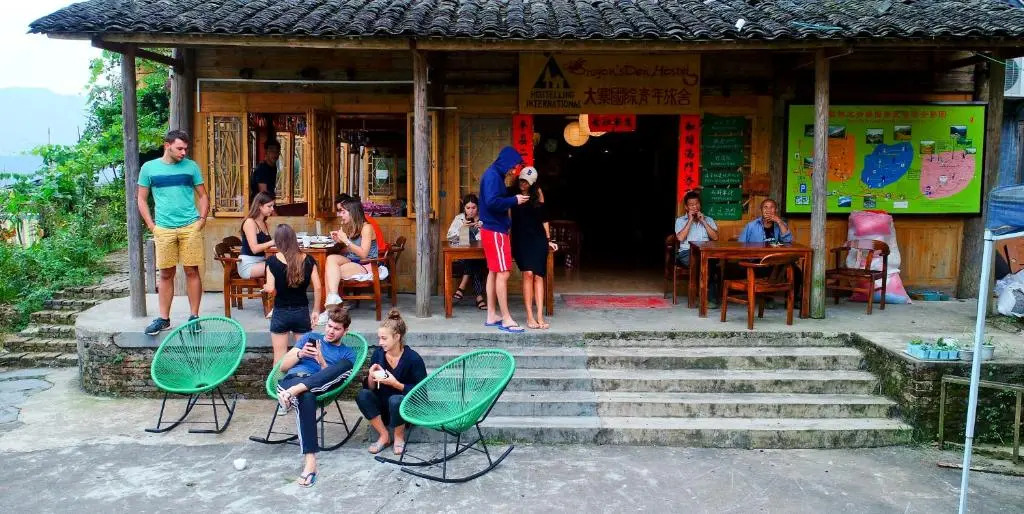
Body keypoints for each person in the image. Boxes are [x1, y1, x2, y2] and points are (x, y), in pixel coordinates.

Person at [137, 130, 210, 336]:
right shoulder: (149, 168)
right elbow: (141, 198)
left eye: (185, 149)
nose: (183, 152)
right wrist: (152, 226)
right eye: (180, 148)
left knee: (191, 271)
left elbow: (203, 196)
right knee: (166, 273)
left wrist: (201, 220)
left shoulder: (191, 167)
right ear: (167, 146)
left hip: (190, 226)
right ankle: (164, 319)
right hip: (164, 228)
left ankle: (194, 317)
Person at [275, 306, 356, 488]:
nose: (331, 331)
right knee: (307, 397)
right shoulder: (309, 338)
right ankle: (310, 464)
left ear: (345, 331)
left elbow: (333, 377)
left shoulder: (347, 353)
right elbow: (283, 367)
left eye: (337, 328)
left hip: (319, 385)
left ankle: (292, 394)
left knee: (343, 366)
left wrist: (321, 361)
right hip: (292, 380)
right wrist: (301, 354)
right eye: (329, 326)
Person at [356, 309, 427, 456]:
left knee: (395, 400)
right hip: (382, 408)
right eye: (379, 338)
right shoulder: (378, 354)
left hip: (405, 410)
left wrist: (396, 384)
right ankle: (384, 435)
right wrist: (371, 376)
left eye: (384, 338)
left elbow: (422, 394)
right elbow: (370, 388)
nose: (380, 343)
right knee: (362, 395)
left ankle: (399, 436)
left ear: (397, 337)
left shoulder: (413, 359)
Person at [479, 146, 530, 333]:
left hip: (491, 229)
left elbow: (495, 197)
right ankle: (507, 318)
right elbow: (493, 202)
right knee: (503, 273)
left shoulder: (494, 175)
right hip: (495, 230)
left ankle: (491, 315)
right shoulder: (493, 176)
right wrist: (515, 200)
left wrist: (513, 195)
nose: (513, 170)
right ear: (506, 162)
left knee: (494, 272)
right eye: (513, 166)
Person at [264, 223, 321, 364]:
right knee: (306, 356)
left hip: (280, 312)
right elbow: (318, 287)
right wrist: (316, 310)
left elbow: (270, 289)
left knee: (279, 357)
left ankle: (278, 378)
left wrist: (265, 287)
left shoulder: (272, 261)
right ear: (294, 239)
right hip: (301, 312)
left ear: (277, 241)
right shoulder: (308, 260)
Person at [510, 167, 558, 329]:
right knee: (528, 274)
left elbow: (544, 218)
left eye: (527, 182)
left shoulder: (537, 193)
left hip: (538, 239)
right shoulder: (512, 193)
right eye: (522, 180)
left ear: (533, 183)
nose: (523, 184)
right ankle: (529, 316)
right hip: (520, 239)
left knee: (538, 276)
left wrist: (548, 239)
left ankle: (539, 316)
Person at [323, 197, 379, 309]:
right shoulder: (352, 227)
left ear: (353, 213)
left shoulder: (366, 228)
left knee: (331, 273)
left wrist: (346, 241)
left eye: (343, 212)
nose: (340, 215)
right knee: (330, 259)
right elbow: (352, 249)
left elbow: (363, 254)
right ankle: (333, 298)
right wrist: (339, 241)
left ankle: (331, 308)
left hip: (366, 264)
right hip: (354, 260)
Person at [674, 190, 721, 306]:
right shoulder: (680, 221)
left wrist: (703, 221)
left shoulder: (708, 220)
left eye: (697, 204)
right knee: (705, 264)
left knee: (709, 262)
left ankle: (706, 298)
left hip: (705, 252)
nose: (695, 207)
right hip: (687, 253)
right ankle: (707, 298)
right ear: (686, 207)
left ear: (700, 204)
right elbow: (680, 238)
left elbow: (715, 237)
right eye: (691, 205)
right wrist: (690, 220)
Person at [445, 193, 487, 310]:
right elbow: (450, 237)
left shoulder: (484, 219)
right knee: (473, 261)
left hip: (482, 256)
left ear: (478, 207)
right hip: (463, 256)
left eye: (474, 208)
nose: (471, 211)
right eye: (468, 208)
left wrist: (483, 229)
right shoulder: (459, 219)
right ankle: (479, 297)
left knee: (476, 260)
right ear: (464, 208)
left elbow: (488, 239)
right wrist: (462, 228)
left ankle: (461, 287)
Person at [238, 192, 276, 279]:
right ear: (259, 206)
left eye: (273, 206)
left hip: (261, 261)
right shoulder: (250, 222)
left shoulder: (265, 223)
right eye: (269, 206)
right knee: (280, 266)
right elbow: (254, 249)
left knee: (285, 263)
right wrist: (272, 242)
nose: (272, 209)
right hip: (249, 265)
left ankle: (274, 288)